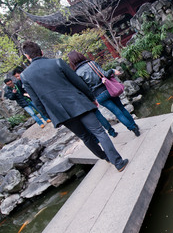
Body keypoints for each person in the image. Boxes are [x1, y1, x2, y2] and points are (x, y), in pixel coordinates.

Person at [20, 41, 128, 172]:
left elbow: (37, 101)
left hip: (60, 113)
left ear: (27, 56)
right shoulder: (57, 62)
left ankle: (105, 157)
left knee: (85, 137)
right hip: (78, 103)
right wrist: (91, 98)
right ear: (41, 52)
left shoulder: (25, 76)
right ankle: (118, 162)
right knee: (99, 132)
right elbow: (78, 82)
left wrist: (50, 116)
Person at [67, 51, 140, 137]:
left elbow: (85, 89)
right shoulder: (92, 64)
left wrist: (92, 99)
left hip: (99, 96)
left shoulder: (77, 73)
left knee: (117, 113)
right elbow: (105, 74)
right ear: (80, 56)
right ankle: (134, 125)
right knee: (121, 108)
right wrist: (112, 70)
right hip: (109, 89)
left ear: (71, 62)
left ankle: (132, 128)